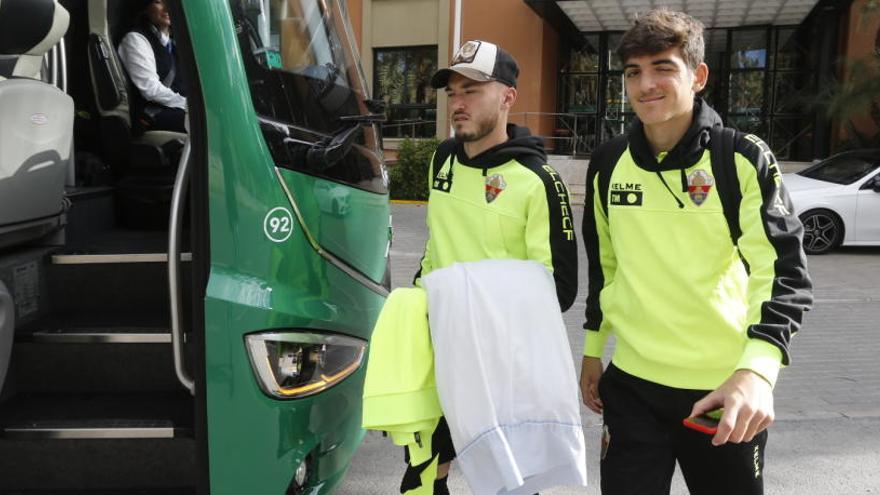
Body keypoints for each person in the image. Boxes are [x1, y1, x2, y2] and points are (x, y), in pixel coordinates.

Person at [579, 9, 813, 495]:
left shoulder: (741, 158)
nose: (646, 85)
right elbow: (605, 268)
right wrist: (592, 351)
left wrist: (757, 372)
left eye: (663, 67)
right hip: (631, 388)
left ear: (698, 75)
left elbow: (783, 271)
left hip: (722, 391)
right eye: (633, 72)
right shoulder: (606, 163)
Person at [406, 39, 578, 495]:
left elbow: (560, 288)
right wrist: (417, 294)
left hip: (502, 366)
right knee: (422, 479)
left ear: (507, 98)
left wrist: (471, 299)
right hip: (437, 347)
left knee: (510, 485)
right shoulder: (442, 158)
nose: (458, 104)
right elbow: (435, 245)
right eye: (453, 93)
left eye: (472, 91)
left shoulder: (539, 181)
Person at [117, 0, 187, 134]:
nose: (167, 9)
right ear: (146, 7)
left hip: (176, 107)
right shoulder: (135, 39)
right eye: (159, 2)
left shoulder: (173, 42)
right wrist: (189, 104)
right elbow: (150, 89)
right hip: (152, 114)